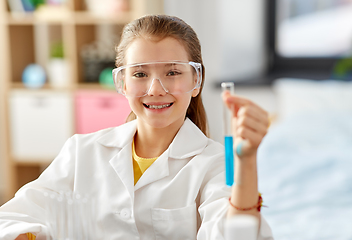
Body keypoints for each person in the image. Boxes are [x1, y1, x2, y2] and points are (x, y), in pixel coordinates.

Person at [0, 15, 273, 240]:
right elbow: (13, 217)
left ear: (196, 80)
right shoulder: (81, 151)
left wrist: (246, 161)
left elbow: (235, 235)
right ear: (122, 83)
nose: (155, 90)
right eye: (140, 74)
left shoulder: (215, 164)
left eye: (173, 72)